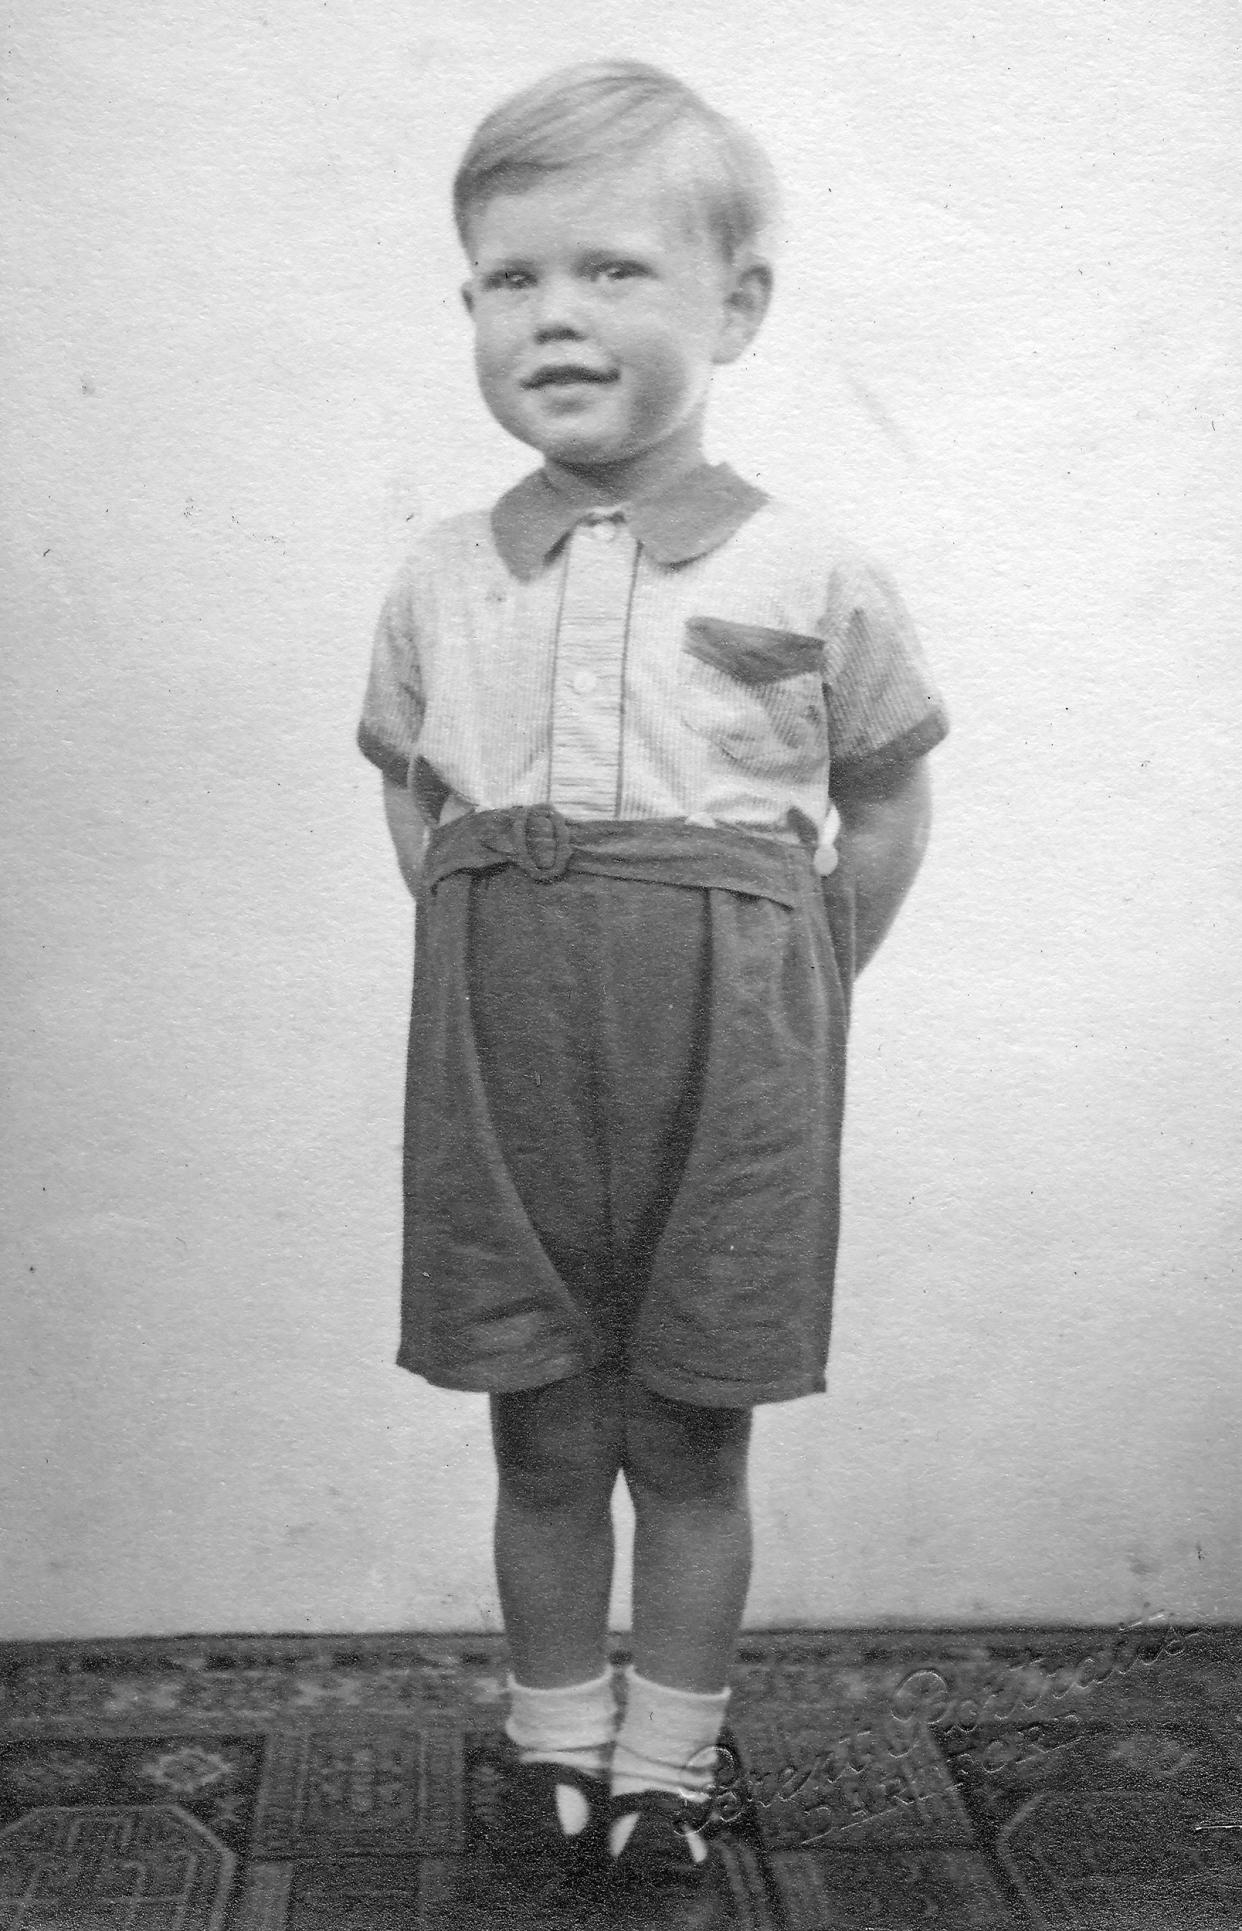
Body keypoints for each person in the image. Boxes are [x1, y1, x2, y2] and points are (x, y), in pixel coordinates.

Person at [358, 57, 948, 1925]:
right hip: (503, 1036)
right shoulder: (443, 573)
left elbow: (878, 796)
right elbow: (412, 787)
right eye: (508, 278)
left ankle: (665, 1764)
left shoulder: (810, 564)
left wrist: (792, 984)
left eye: (612, 271)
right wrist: (492, 940)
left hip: (735, 1049)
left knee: (690, 1421)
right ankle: (554, 1732)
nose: (553, 315)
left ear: (735, 305)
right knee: (538, 1418)